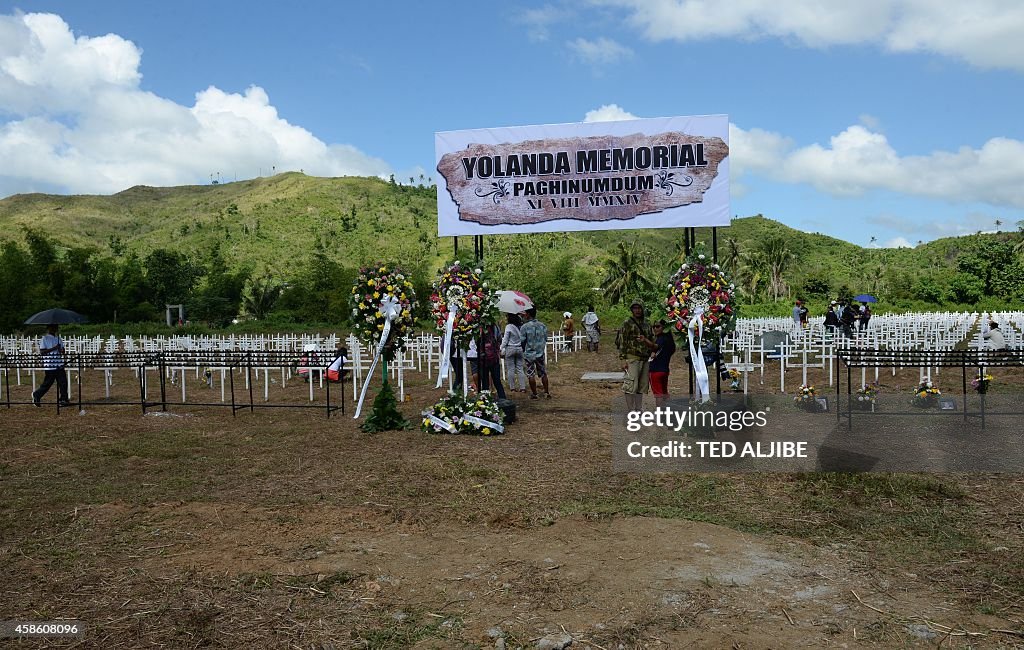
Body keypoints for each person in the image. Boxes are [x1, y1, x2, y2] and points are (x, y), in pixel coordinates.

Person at [617, 300, 658, 411]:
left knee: (641, 386)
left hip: (645, 358)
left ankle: (638, 409)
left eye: (639, 308)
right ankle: (631, 410)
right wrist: (622, 359)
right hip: (632, 357)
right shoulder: (627, 323)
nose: (637, 310)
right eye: (635, 308)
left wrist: (653, 350)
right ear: (632, 310)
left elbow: (652, 339)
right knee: (631, 386)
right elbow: (622, 341)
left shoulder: (647, 323)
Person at [33, 323, 70, 407]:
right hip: (50, 364)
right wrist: (54, 348)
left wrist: (61, 350)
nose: (54, 329)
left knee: (63, 382)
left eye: (55, 327)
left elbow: (62, 350)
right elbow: (42, 352)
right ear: (48, 328)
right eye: (52, 327)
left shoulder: (58, 338)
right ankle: (37, 395)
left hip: (59, 363)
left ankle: (63, 399)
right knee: (48, 383)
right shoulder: (44, 338)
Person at [520, 307, 551, 399]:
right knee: (543, 373)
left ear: (528, 314)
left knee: (530, 374)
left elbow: (522, 341)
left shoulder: (524, 327)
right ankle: (546, 392)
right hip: (540, 353)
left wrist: (524, 349)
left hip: (529, 354)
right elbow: (546, 339)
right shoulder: (542, 325)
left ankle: (535, 394)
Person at [648, 319, 676, 407]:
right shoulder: (669, 340)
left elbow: (655, 347)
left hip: (655, 371)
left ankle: (660, 414)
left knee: (658, 394)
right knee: (664, 392)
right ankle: (666, 413)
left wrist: (645, 341)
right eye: (653, 327)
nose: (655, 329)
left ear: (664, 328)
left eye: (658, 326)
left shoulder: (660, 340)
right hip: (664, 370)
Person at [475, 322, 507, 399]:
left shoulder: (479, 326)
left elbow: (476, 341)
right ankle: (502, 399)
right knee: (496, 381)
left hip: (485, 358)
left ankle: (486, 401)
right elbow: (499, 339)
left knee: (486, 381)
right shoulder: (495, 326)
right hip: (493, 358)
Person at [501, 313, 526, 393]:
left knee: (511, 369)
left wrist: (501, 348)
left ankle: (512, 388)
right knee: (520, 369)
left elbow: (505, 340)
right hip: (519, 348)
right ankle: (522, 387)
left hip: (510, 348)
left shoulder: (508, 327)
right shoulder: (521, 326)